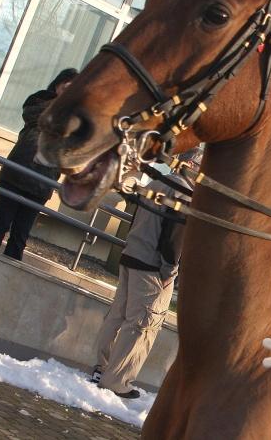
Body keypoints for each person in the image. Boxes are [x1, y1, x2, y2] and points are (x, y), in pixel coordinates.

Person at [89, 147, 202, 399]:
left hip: (131, 254)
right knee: (142, 325)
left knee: (117, 316)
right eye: (201, 165)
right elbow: (175, 236)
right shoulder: (184, 192)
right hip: (152, 266)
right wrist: (169, 271)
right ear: (191, 165)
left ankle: (102, 368)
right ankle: (117, 382)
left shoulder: (157, 182)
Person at [0, 68, 79, 260]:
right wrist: (61, 104)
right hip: (15, 174)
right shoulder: (40, 100)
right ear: (57, 84)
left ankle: (9, 269)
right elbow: (33, 116)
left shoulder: (76, 117)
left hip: (42, 182)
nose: (68, 89)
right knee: (0, 222)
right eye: (66, 84)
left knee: (21, 233)